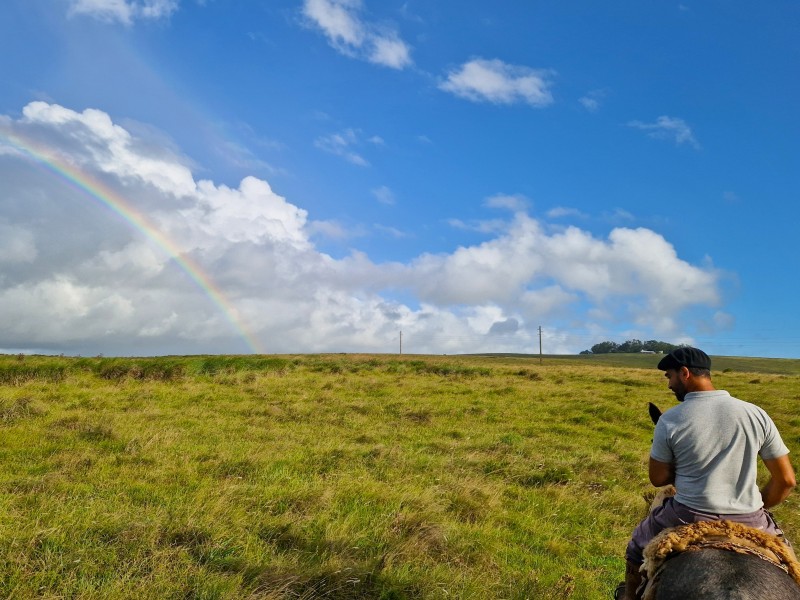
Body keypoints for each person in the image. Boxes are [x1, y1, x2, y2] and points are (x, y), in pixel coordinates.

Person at [615, 347, 796, 600]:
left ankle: (630, 596)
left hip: (687, 516)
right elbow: (786, 480)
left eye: (669, 376)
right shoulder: (756, 414)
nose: (669, 384)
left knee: (637, 545)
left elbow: (657, 478)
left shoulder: (671, 420)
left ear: (685, 373)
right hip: (750, 517)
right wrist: (754, 508)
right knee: (787, 560)